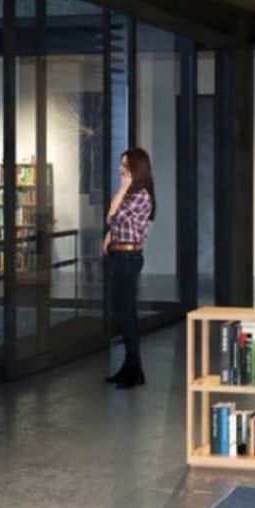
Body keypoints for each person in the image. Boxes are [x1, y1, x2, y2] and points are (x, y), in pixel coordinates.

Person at [103, 148, 155, 388]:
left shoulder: (141, 195)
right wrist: (110, 236)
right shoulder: (131, 194)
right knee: (121, 312)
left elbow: (111, 216)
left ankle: (135, 369)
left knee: (126, 314)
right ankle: (130, 366)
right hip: (120, 254)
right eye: (121, 165)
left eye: (125, 166)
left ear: (137, 168)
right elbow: (116, 222)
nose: (121, 170)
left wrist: (121, 190)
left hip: (129, 257)